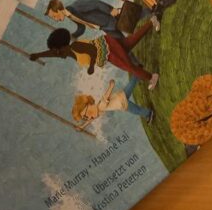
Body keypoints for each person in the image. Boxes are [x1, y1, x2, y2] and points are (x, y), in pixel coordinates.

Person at [30, 14, 159, 89]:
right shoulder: (68, 53)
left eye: (57, 51)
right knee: (131, 41)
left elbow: (92, 50)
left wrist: (91, 66)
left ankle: (152, 77)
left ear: (62, 46)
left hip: (109, 49)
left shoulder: (75, 47)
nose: (57, 54)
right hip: (108, 48)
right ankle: (152, 21)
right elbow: (52, 53)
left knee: (128, 66)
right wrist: (38, 55)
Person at [72, 77, 154, 129]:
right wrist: (82, 126)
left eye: (85, 115)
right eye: (85, 117)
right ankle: (137, 73)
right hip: (120, 96)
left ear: (88, 106)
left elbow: (106, 97)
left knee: (137, 110)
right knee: (130, 85)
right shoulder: (98, 110)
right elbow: (91, 120)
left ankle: (149, 113)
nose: (87, 117)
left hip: (122, 103)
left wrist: (111, 86)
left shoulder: (101, 107)